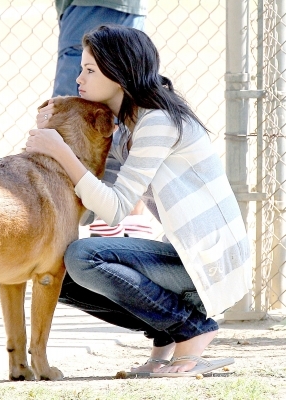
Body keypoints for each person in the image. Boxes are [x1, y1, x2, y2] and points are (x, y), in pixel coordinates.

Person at [26, 24, 251, 376]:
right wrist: (60, 137)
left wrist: (59, 150)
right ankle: (166, 337)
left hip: (206, 258)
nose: (79, 79)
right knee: (55, 268)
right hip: (184, 258)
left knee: (82, 256)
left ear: (118, 74)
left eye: (90, 70)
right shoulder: (126, 127)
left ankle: (191, 329)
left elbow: (114, 209)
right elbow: (89, 207)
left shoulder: (158, 120)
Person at [53, 0, 151, 239]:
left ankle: (114, 224)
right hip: (120, 7)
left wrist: (54, 145)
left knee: (77, 117)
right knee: (123, 108)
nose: (80, 78)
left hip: (92, 6)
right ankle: (122, 224)